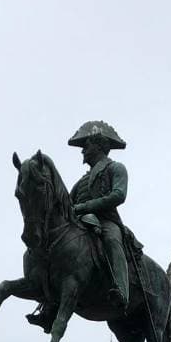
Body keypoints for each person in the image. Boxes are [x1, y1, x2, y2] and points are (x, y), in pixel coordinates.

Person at [67, 120, 131, 310]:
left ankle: (121, 291)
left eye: (86, 146)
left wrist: (85, 206)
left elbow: (119, 195)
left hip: (106, 221)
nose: (82, 151)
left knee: (112, 241)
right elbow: (67, 204)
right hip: (82, 221)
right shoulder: (81, 181)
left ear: (99, 146)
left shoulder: (116, 168)